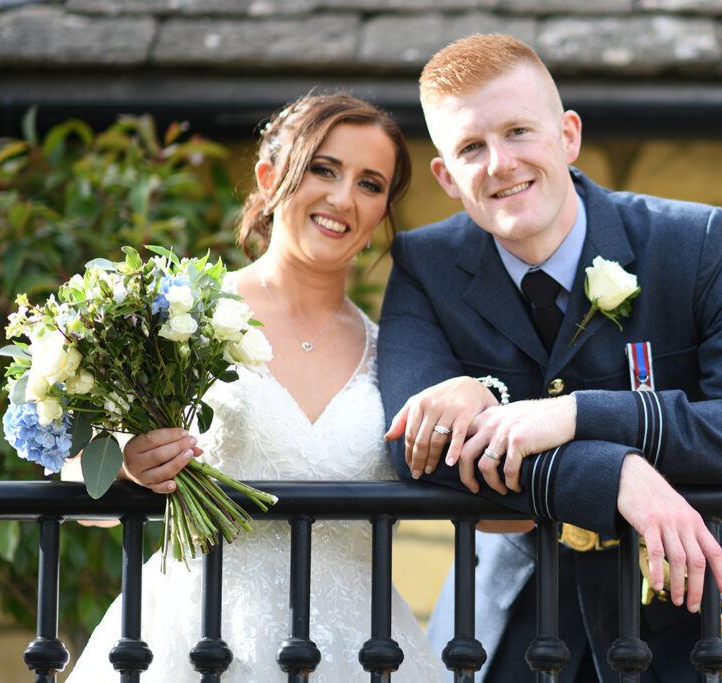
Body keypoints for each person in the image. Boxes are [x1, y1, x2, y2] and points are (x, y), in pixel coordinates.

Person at [378, 34, 722, 681]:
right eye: (471, 147)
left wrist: (579, 415)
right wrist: (615, 472)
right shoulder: (424, 264)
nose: (499, 163)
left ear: (568, 135)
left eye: (519, 131)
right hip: (515, 637)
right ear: (445, 175)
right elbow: (415, 446)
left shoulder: (690, 241)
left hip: (687, 628)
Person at [66, 94, 448, 682]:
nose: (343, 198)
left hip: (359, 652)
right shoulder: (181, 318)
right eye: (324, 169)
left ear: (381, 215)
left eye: (371, 184)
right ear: (270, 179)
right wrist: (124, 465)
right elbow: (76, 488)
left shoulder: (395, 354)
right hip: (195, 644)